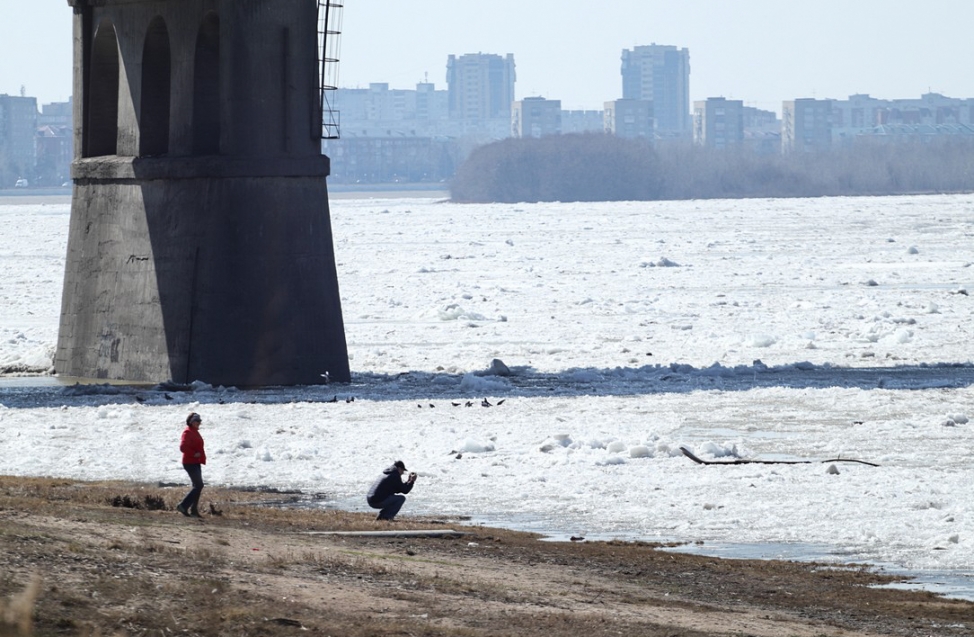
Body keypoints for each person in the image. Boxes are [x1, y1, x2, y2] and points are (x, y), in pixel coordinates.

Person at [176, 412, 206, 518]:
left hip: (195, 462)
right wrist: (194, 454)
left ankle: (194, 510)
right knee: (199, 485)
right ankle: (183, 505)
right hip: (189, 462)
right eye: (197, 421)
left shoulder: (194, 431)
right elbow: (182, 447)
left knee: (197, 486)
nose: (199, 423)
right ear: (191, 422)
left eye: (199, 421)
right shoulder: (187, 432)